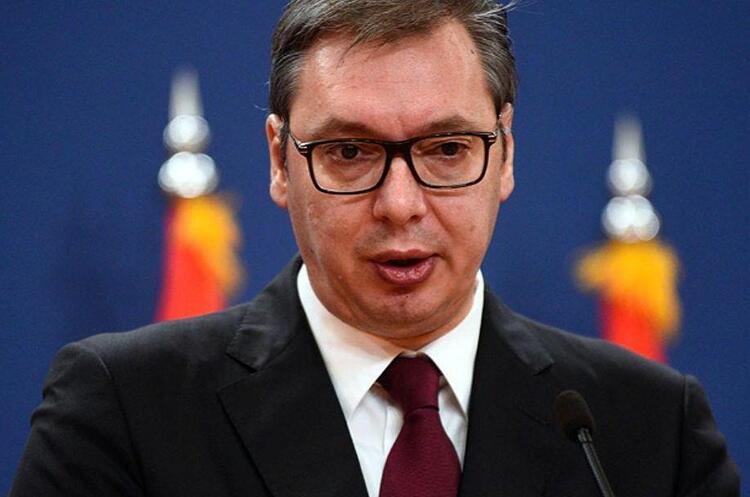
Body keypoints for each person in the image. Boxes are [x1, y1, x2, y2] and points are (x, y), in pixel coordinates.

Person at [11, 1, 739, 496]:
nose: (400, 204)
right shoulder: (124, 411)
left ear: (506, 154)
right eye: (350, 152)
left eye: (447, 149)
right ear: (279, 160)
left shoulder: (649, 429)